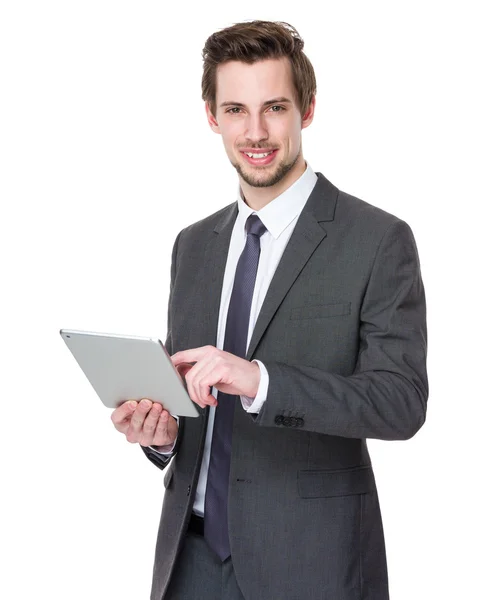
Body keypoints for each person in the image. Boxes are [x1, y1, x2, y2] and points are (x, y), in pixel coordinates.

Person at [111, 19, 428, 600]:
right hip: (191, 561)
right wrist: (159, 434)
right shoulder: (193, 245)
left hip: (312, 564)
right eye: (235, 109)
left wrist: (261, 381)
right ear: (212, 117)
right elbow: (195, 414)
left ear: (307, 109)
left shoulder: (377, 240)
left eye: (274, 108)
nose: (255, 131)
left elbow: (401, 403)